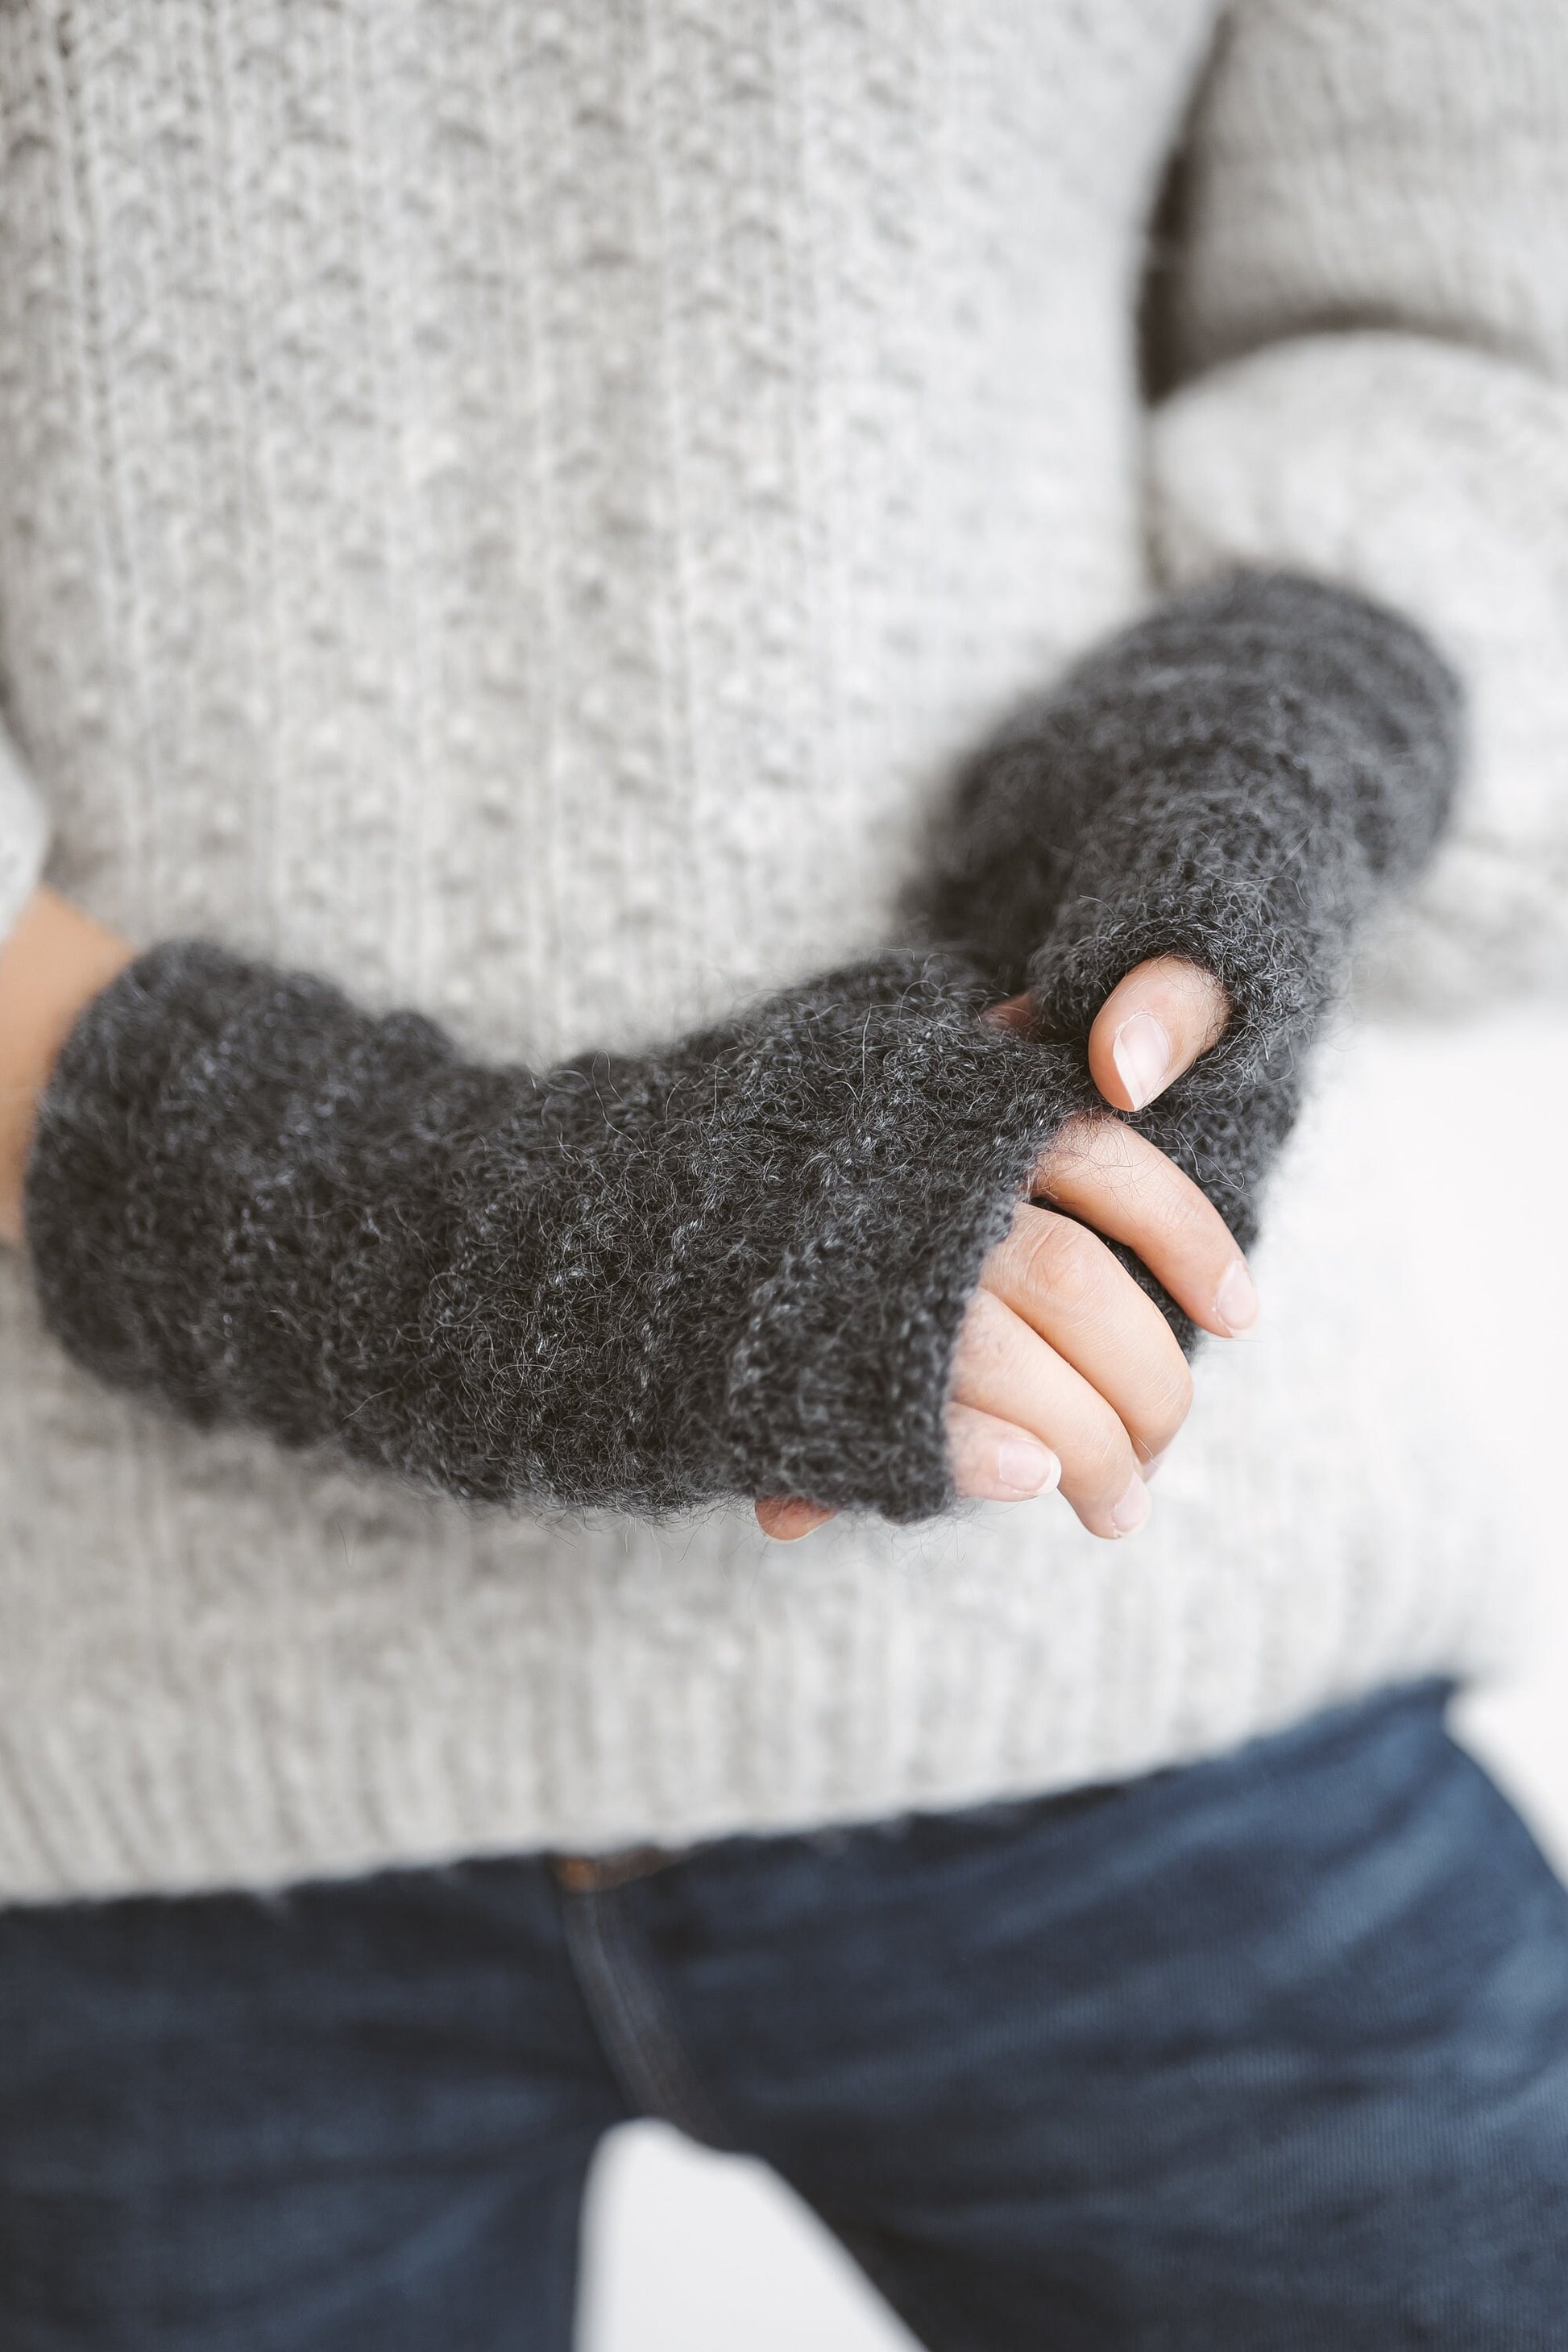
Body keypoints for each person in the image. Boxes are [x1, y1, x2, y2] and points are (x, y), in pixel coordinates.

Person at [1, 2, 1565, 2345]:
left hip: (1143, 1651)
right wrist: (435, 1227)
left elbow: (1479, 355)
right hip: (113, 1795)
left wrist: (1259, 755)